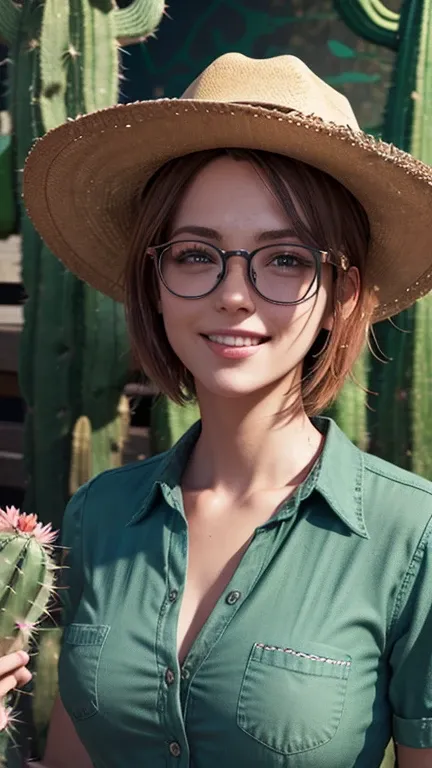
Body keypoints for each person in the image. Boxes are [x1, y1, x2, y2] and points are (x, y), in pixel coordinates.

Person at [1, 52, 432, 768]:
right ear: (157, 281)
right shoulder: (97, 516)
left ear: (344, 296)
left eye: (286, 258)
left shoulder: (413, 539)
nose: (235, 293)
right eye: (197, 254)